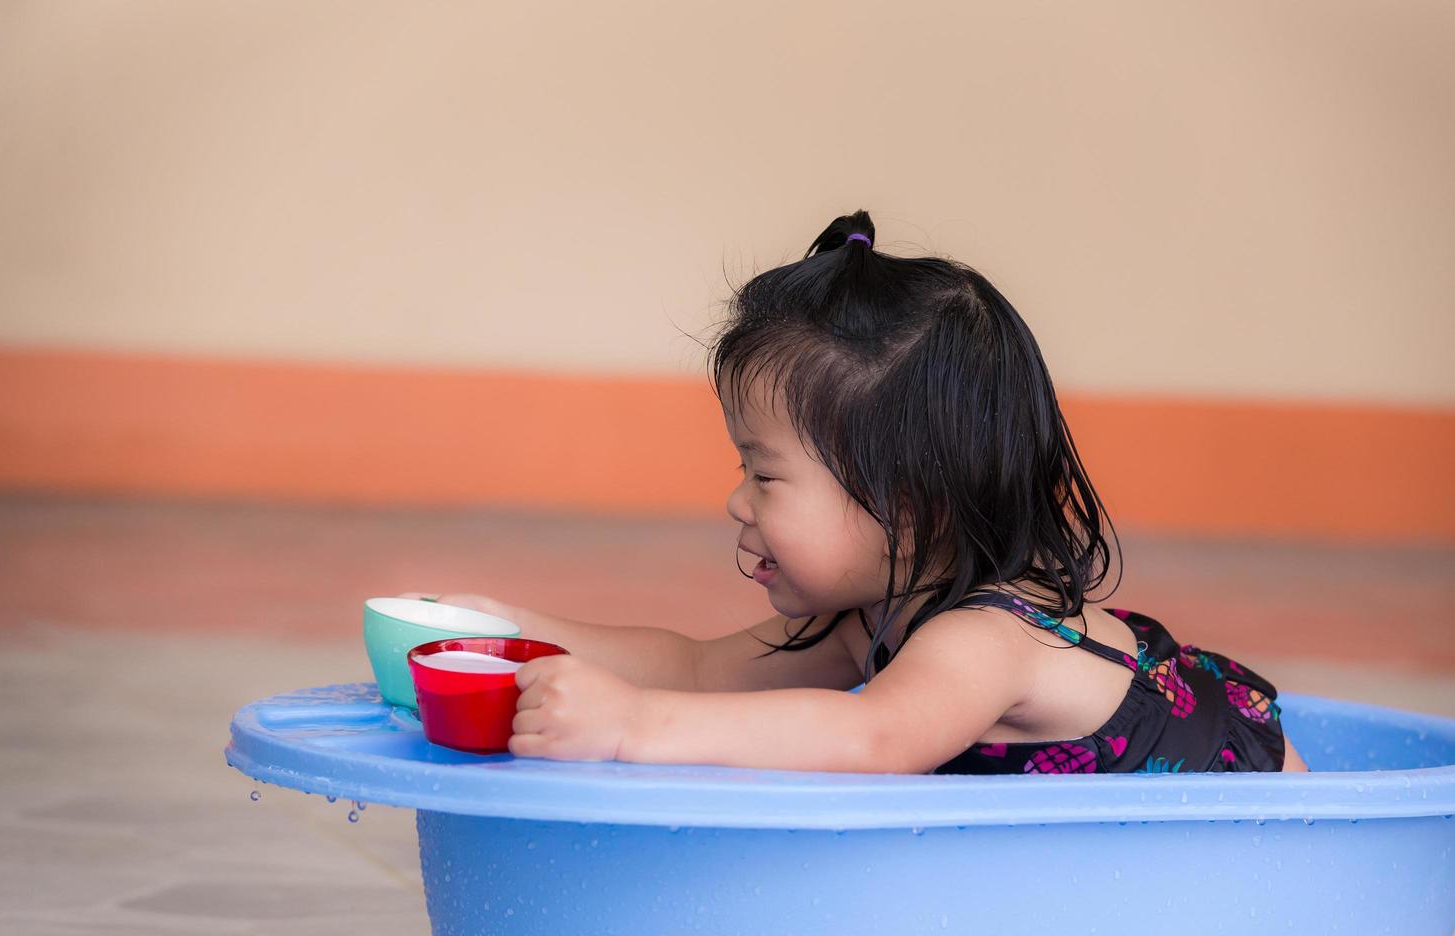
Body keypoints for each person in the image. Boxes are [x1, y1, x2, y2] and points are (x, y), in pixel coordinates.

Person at [405, 209, 1309, 776]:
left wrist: (633, 727)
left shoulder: (985, 643)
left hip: (1258, 836)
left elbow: (871, 742)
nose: (736, 501)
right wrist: (511, 634)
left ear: (911, 504)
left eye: (763, 474)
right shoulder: (878, 610)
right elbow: (697, 668)